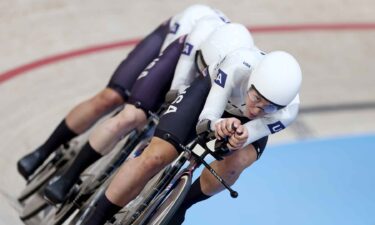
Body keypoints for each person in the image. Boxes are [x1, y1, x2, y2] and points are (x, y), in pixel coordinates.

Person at [76, 11, 301, 225]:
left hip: (242, 123)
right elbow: (209, 115)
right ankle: (95, 218)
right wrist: (216, 125)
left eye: (269, 107)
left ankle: (181, 205)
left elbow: (254, 130)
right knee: (155, 157)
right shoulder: (237, 64)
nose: (258, 109)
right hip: (209, 94)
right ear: (251, 81)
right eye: (256, 98)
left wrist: (240, 136)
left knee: (238, 161)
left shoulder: (288, 110)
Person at [36, 5, 233, 204]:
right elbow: (170, 76)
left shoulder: (229, 72)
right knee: (122, 108)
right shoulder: (196, 36)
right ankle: (56, 164)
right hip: (173, 53)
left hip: (201, 80)